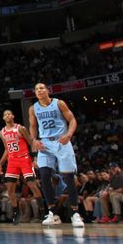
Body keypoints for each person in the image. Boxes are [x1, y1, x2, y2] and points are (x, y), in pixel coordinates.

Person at [28, 82, 84, 227]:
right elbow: (33, 126)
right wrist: (34, 140)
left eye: (41, 88)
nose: (39, 90)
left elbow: (72, 120)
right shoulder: (33, 108)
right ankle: (53, 213)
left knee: (68, 177)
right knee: (45, 176)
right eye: (36, 89)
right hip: (44, 143)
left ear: (47, 90)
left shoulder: (59, 103)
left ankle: (75, 213)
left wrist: (69, 135)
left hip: (61, 141)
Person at [0, 109, 44, 224]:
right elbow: (7, 149)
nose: (7, 115)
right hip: (12, 161)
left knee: (32, 185)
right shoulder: (2, 132)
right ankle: (16, 212)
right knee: (10, 189)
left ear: (13, 116)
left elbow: (31, 143)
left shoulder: (20, 128)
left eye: (9, 113)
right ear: (3, 118)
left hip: (24, 159)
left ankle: (43, 212)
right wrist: (0, 164)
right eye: (5, 114)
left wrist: (35, 158)